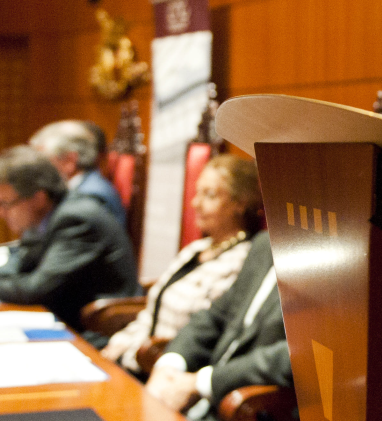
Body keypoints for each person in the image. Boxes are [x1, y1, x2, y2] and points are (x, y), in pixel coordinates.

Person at [143, 230, 292, 421]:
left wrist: (201, 382)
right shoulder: (265, 242)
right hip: (199, 403)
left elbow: (294, 355)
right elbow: (215, 315)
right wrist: (170, 365)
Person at [101, 154, 264, 375]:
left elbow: (206, 332)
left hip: (169, 368)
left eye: (210, 195)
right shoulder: (196, 248)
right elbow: (151, 312)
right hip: (135, 358)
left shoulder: (243, 261)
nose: (196, 203)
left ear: (240, 204)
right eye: (197, 192)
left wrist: (130, 356)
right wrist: (119, 344)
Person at [0, 145, 140, 331]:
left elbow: (38, 289)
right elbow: (24, 264)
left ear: (38, 198)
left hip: (96, 329)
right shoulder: (48, 217)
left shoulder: (76, 218)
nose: (0, 213)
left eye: (6, 204)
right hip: (66, 318)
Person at [30, 120, 127, 227]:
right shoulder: (80, 188)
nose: (37, 171)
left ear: (69, 161)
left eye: (43, 162)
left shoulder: (91, 197)